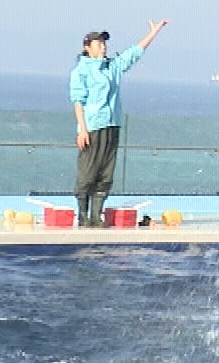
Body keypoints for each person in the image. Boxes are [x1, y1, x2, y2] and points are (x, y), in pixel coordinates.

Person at [70, 20, 169, 227]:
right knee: (88, 171)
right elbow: (78, 101)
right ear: (87, 48)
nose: (103, 47)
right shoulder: (81, 71)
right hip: (92, 127)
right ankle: (82, 213)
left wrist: (152, 34)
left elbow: (133, 53)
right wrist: (82, 129)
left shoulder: (112, 67)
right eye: (98, 44)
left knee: (105, 172)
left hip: (112, 125)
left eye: (104, 44)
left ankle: (97, 215)